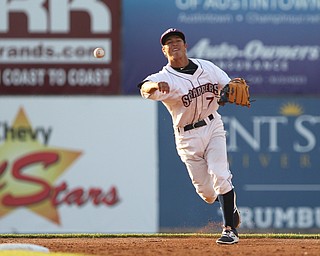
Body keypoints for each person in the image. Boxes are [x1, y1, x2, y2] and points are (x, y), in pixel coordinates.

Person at [138, 28, 241, 245]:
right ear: (164, 50)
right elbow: (145, 88)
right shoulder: (163, 77)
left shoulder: (206, 67)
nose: (174, 44)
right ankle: (230, 208)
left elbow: (229, 84)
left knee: (220, 174)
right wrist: (155, 86)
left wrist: (228, 91)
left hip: (213, 126)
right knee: (208, 194)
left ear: (186, 45)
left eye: (178, 40)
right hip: (187, 138)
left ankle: (229, 229)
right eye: (169, 43)